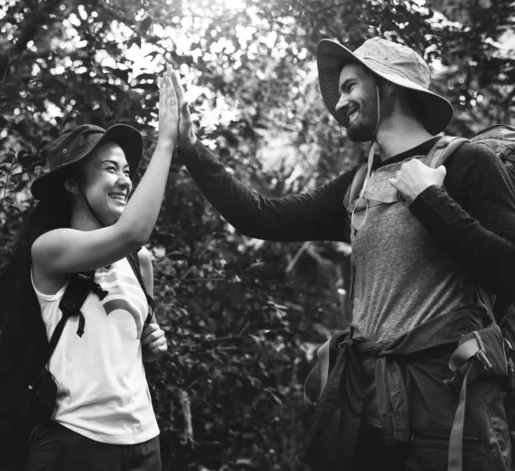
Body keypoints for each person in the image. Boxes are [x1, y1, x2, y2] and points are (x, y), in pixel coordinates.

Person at [168, 38, 515, 470]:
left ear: (388, 86)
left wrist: (429, 199)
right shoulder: (357, 185)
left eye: (351, 86)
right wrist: (191, 148)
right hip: (366, 404)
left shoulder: (469, 164)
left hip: (442, 406)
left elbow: (507, 271)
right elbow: (263, 218)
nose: (341, 102)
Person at [0, 68, 179, 471]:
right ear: (73, 185)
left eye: (127, 170)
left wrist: (149, 344)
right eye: (111, 169)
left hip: (144, 441)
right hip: (74, 442)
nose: (125, 180)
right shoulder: (50, 249)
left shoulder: (138, 261)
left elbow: (128, 350)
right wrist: (167, 143)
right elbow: (132, 233)